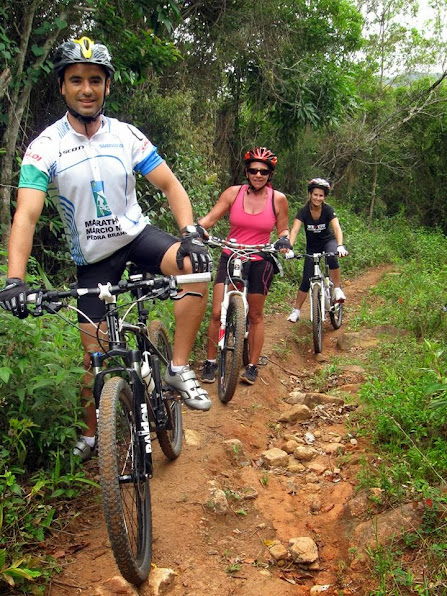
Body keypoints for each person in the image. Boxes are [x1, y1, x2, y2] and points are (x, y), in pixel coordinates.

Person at [0, 36, 213, 462]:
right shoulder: (45, 146)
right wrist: (15, 279)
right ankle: (91, 433)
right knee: (92, 358)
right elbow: (26, 215)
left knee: (195, 263)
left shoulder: (126, 135)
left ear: (107, 86)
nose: (86, 89)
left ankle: (176, 368)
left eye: (95, 80)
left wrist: (189, 231)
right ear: (62, 86)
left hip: (137, 237)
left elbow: (170, 185)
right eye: (76, 80)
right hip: (94, 259)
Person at [197, 147, 291, 386]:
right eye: (253, 170)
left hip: (260, 259)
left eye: (263, 171)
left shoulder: (278, 199)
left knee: (256, 315)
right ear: (247, 172)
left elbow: (283, 229)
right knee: (217, 312)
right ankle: (210, 361)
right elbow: (210, 219)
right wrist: (197, 229)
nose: (258, 175)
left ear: (270, 174)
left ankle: (252, 365)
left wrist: (284, 240)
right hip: (231, 254)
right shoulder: (233, 193)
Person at [287, 178, 348, 323]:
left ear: (324, 197)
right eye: (315, 195)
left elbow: (336, 227)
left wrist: (340, 245)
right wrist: (289, 247)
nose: (318, 198)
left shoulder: (328, 210)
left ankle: (337, 289)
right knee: (306, 280)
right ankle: (296, 310)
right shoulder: (303, 211)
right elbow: (294, 230)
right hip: (312, 247)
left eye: (321, 195)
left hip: (328, 242)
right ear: (310, 194)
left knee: (332, 257)